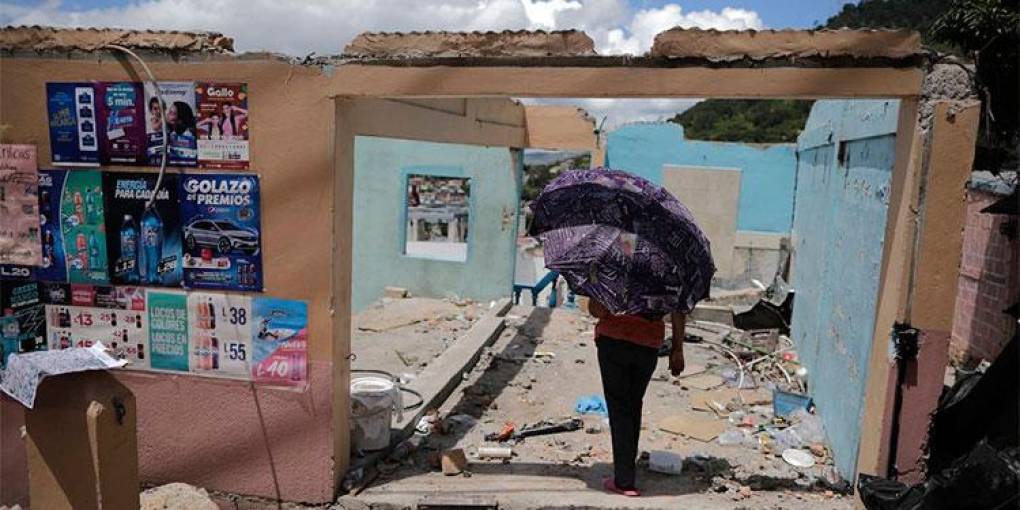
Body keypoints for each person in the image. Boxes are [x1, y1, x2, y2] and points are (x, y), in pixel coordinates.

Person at [588, 298, 687, 497]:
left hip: (613, 341)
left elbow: (597, 310)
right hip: (648, 345)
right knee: (633, 405)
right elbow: (679, 309)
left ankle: (624, 480)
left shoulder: (613, 268)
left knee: (620, 408)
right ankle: (626, 471)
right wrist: (677, 349)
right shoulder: (667, 272)